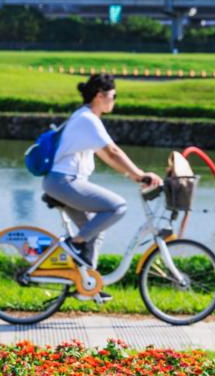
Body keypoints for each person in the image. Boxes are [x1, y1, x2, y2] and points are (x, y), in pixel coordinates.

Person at [43, 73, 163, 297]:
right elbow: (113, 151)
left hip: (63, 183)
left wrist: (133, 175)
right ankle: (73, 243)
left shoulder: (85, 118)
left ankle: (87, 285)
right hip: (64, 182)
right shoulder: (88, 119)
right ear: (100, 96)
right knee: (117, 207)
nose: (115, 100)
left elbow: (107, 156)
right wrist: (139, 174)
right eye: (113, 96)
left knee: (95, 231)